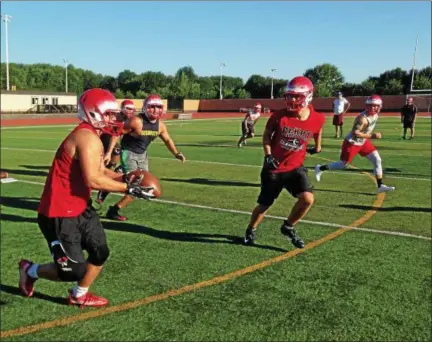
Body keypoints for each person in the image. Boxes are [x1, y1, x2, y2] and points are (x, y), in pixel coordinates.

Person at [18, 88, 155, 308]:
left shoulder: (93, 136)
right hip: (58, 211)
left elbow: (100, 171)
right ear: (93, 113)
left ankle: (79, 294)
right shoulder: (86, 137)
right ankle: (30, 270)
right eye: (109, 114)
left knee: (100, 252)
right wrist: (129, 189)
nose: (115, 118)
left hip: (81, 207)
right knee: (73, 270)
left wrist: (125, 177)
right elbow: (93, 180)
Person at [243, 76, 325, 249]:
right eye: (289, 96)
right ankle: (251, 228)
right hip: (274, 168)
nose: (292, 100)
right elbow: (266, 137)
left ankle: (288, 226)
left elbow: (317, 133)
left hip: (295, 168)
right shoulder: (279, 116)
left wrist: (317, 147)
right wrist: (268, 155)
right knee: (265, 205)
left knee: (308, 199)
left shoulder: (317, 118)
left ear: (308, 96)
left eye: (297, 96)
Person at [104, 94, 186, 221]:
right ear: (145, 108)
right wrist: (109, 152)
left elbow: (168, 140)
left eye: (158, 107)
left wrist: (176, 153)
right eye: (152, 107)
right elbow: (116, 133)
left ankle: (114, 209)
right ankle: (105, 186)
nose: (155, 110)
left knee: (143, 187)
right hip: (129, 153)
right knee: (135, 184)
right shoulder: (136, 121)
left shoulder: (160, 125)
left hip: (143, 155)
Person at [314, 95, 395, 193]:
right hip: (352, 143)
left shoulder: (375, 115)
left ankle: (380, 185)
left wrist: (368, 137)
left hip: (363, 142)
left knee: (377, 159)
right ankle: (320, 168)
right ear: (367, 106)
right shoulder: (363, 118)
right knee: (343, 164)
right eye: (371, 105)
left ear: (379, 106)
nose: (373, 108)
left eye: (375, 105)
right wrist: (372, 136)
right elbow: (355, 133)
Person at [96, 99, 136, 204]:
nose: (129, 111)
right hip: (104, 136)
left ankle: (108, 175)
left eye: (131, 109)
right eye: (127, 108)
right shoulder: (115, 116)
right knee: (115, 152)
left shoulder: (132, 120)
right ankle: (105, 178)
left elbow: (118, 134)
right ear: (122, 108)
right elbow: (114, 133)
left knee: (114, 162)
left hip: (118, 140)